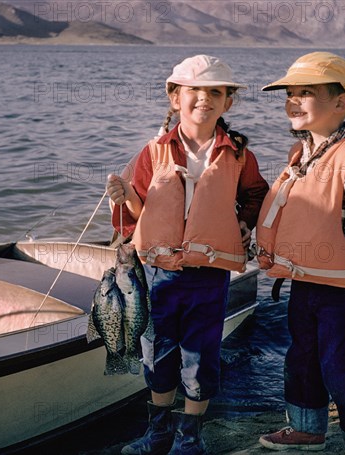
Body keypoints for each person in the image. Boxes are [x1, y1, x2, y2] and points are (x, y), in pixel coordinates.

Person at [106, 54, 269, 454]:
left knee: (200, 357)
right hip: (158, 274)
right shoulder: (153, 152)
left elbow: (256, 195)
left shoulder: (239, 155)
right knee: (157, 355)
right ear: (175, 98)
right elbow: (139, 213)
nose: (205, 99)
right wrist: (123, 196)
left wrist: (245, 223)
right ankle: (158, 433)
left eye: (216, 92)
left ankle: (189, 438)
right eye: (194, 91)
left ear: (228, 102)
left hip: (209, 276)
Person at [255, 52, 345, 455]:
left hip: (343, 290)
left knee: (342, 367)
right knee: (301, 360)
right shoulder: (301, 156)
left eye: (306, 93)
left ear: (340, 102)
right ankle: (306, 429)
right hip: (304, 281)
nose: (293, 101)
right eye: (290, 93)